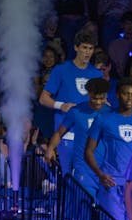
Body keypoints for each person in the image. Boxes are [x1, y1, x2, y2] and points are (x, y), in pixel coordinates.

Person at [83, 78, 132, 220]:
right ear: (118, 95)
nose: (129, 98)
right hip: (111, 182)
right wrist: (100, 174)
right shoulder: (104, 118)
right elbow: (88, 151)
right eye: (126, 94)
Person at [37, 29, 98, 175]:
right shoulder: (61, 70)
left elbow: (101, 103)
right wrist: (61, 105)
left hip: (87, 136)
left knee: (84, 181)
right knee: (67, 178)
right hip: (64, 134)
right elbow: (43, 98)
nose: (87, 52)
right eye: (84, 47)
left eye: (90, 48)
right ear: (76, 47)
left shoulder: (97, 74)